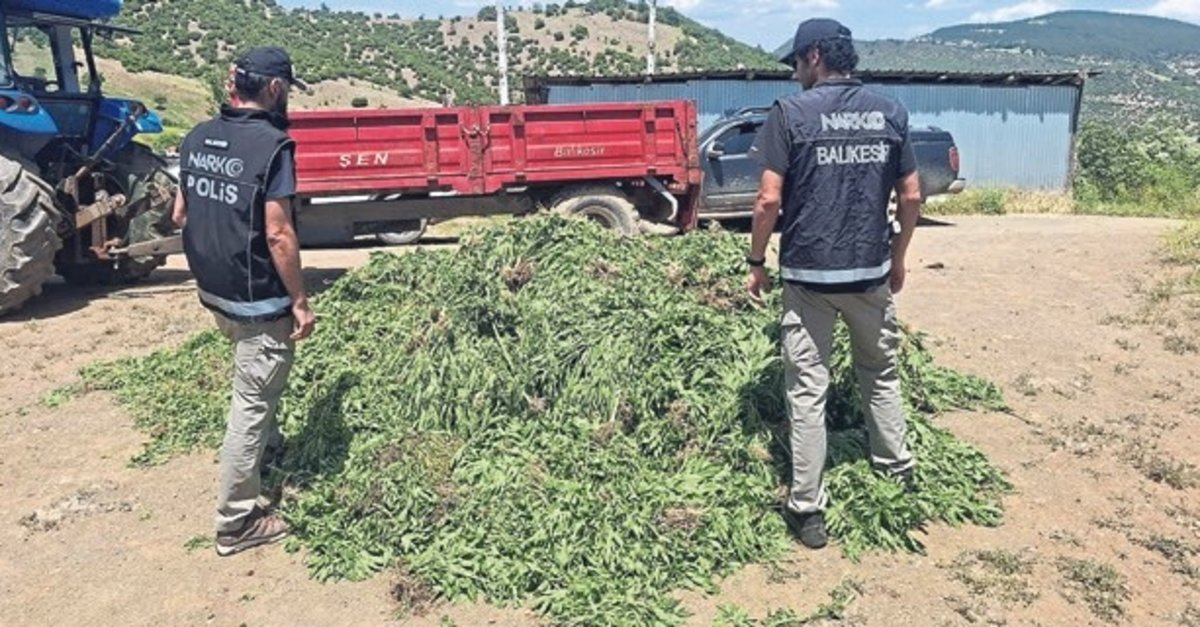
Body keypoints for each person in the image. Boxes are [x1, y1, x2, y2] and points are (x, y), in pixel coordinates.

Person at [745, 18, 921, 550]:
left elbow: (768, 199)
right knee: (880, 372)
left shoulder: (789, 113)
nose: (795, 72)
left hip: (808, 279)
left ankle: (807, 509)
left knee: (807, 390)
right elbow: (912, 195)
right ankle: (897, 471)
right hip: (869, 273)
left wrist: (756, 260)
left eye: (797, 62)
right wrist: (898, 259)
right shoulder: (890, 111)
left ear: (815, 57)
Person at [172, 46, 316, 557]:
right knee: (250, 404)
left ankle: (267, 452)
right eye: (288, 89)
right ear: (274, 88)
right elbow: (278, 233)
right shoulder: (273, 146)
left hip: (215, 293)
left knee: (255, 384)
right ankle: (236, 523)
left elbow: (180, 213)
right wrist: (299, 300)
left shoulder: (196, 137)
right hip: (258, 301)